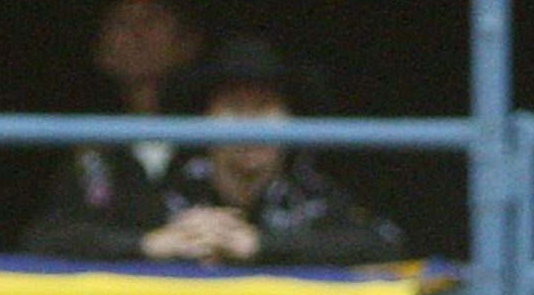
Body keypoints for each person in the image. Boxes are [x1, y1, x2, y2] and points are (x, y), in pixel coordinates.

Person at [28, 38, 403, 266]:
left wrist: (259, 246)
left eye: (264, 107)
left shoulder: (313, 193)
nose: (248, 125)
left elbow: (382, 244)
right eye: (233, 108)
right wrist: (152, 243)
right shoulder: (161, 191)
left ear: (291, 121)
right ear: (202, 121)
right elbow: (49, 239)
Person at [26, 0, 206, 255]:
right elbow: (48, 236)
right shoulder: (85, 142)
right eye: (122, 23)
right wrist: (145, 244)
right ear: (100, 51)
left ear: (188, 43)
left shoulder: (217, 135)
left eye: (152, 19)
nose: (137, 34)